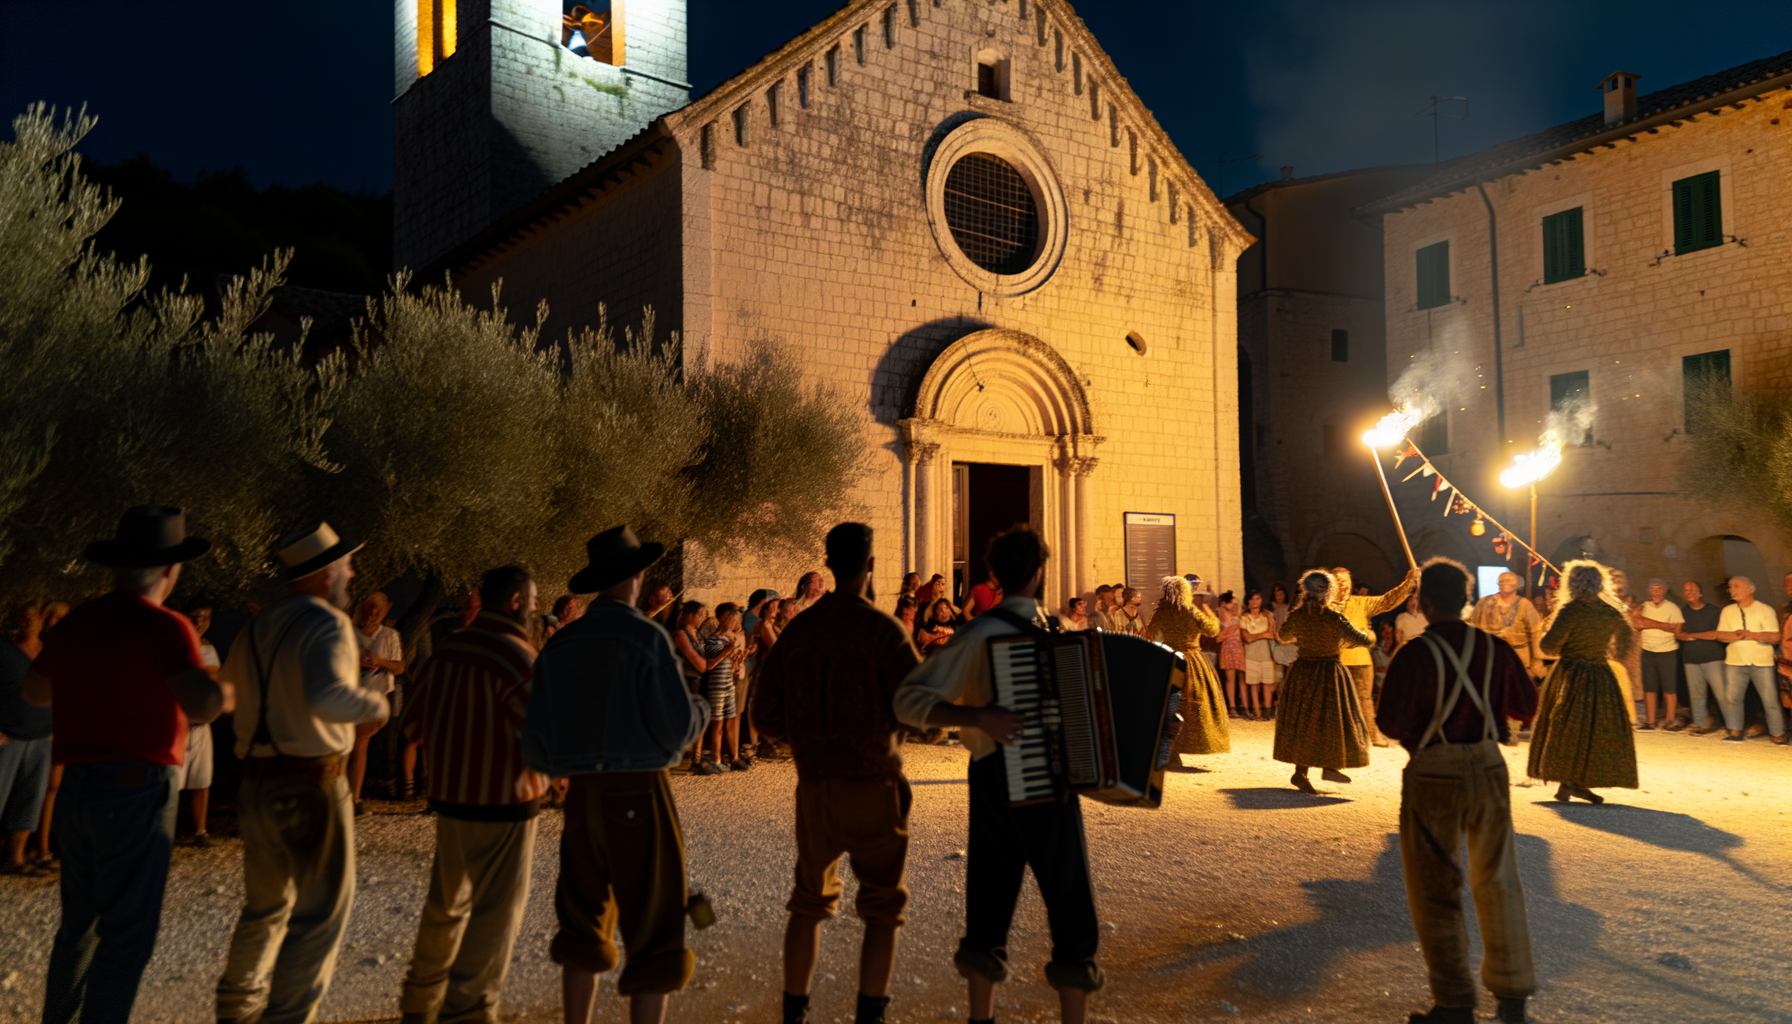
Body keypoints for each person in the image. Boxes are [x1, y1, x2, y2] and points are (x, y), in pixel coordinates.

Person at [893, 525, 1105, 1024]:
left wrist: (973, 720)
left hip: (996, 777)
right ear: (1038, 574)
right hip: (1043, 782)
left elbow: (909, 699)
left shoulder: (1049, 633)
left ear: (995, 576)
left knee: (992, 890)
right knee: (1067, 891)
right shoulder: (993, 632)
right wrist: (979, 717)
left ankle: (980, 1017)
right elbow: (906, 701)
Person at [25, 506, 229, 1023]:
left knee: (79, 929)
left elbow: (34, 691)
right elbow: (201, 704)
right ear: (169, 571)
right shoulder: (165, 626)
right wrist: (227, 691)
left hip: (75, 790)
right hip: (138, 788)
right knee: (126, 936)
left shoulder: (76, 623)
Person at [522, 525, 710, 1024]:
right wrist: (702, 711)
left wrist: (565, 769)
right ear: (638, 575)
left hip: (582, 797)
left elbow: (536, 741)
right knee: (655, 926)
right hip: (641, 792)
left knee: (581, 920)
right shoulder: (646, 637)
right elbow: (675, 730)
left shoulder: (562, 643)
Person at [215, 523, 390, 1024]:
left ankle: (236, 1007)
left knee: (265, 907)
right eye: (347, 564)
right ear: (326, 573)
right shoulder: (327, 623)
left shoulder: (255, 627)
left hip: (256, 781)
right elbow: (327, 697)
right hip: (312, 782)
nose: (352, 573)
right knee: (318, 914)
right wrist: (375, 706)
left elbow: (227, 692)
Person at [754, 523, 923, 1024]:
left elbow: (764, 715)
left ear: (828, 563)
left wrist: (808, 738)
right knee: (882, 908)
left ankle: (794, 1013)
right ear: (871, 565)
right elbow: (917, 709)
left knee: (808, 902)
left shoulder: (799, 630)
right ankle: (869, 1015)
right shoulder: (883, 630)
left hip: (815, 786)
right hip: (873, 782)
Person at [1377, 558, 1537, 1024]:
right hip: (1488, 764)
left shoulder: (1415, 653)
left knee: (1436, 887)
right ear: (1467, 600)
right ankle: (1512, 995)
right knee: (1499, 878)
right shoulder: (1495, 649)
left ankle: (1454, 1002)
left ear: (1424, 603)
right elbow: (1526, 706)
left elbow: (1390, 722)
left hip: (1434, 770)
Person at [398, 566, 547, 1024]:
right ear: (518, 602)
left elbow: (412, 726)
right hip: (506, 803)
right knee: (495, 914)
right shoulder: (518, 657)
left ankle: (420, 1001)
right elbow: (542, 736)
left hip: (450, 800)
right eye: (535, 600)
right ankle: (468, 1008)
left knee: (446, 906)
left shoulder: (448, 649)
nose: (538, 608)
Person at [1526, 561, 1638, 802]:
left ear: (1572, 583)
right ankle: (1574, 783)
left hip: (1572, 673)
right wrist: (1608, 653)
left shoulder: (1571, 610)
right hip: (1600, 674)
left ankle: (1570, 782)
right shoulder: (1610, 611)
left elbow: (1549, 646)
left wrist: (1562, 644)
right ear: (1599, 583)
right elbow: (1626, 638)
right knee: (1594, 728)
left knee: (1568, 727)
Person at [1274, 570, 1374, 793]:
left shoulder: (1299, 615)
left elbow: (1283, 633)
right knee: (1332, 721)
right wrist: (1367, 630)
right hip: (1329, 672)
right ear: (1329, 592)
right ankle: (1325, 767)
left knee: (1305, 722)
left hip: (1303, 671)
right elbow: (1362, 640)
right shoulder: (1333, 617)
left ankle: (1306, 771)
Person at [1331, 567, 1419, 748]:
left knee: (1365, 699)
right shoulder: (1325, 607)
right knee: (1335, 700)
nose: (1343, 585)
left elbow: (1386, 601)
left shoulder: (1360, 603)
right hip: (1335, 660)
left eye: (1346, 582)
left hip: (1361, 659)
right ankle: (1337, 737)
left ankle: (1372, 734)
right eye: (1339, 582)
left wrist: (1408, 582)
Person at [1146, 576, 1231, 760]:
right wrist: (1208, 612)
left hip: (1168, 660)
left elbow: (1150, 634)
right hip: (1191, 661)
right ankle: (1189, 743)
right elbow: (1213, 630)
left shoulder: (1161, 612)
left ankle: (1170, 750)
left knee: (1169, 705)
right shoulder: (1190, 611)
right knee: (1193, 705)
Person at [2, 605, 54, 875]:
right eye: (24, 615)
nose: (28, 621)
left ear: (43, 619)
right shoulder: (5, 651)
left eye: (34, 616)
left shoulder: (50, 652)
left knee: (29, 800)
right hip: (8, 737)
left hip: (42, 737)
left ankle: (16, 859)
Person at [349, 592, 406, 814]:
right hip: (349, 697)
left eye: (378, 609)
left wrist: (380, 662)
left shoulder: (390, 635)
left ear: (386, 610)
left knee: (359, 742)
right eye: (370, 607)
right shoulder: (350, 634)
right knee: (352, 745)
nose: (374, 613)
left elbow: (400, 667)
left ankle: (353, 798)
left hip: (375, 700)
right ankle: (350, 797)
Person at [1714, 576, 1788, 744]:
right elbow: (1720, 635)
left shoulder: (1765, 610)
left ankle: (1778, 733)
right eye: (1730, 587)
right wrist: (1735, 635)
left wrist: (1751, 634)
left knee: (1769, 699)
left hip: (1762, 661)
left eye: (1736, 586)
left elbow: (1776, 637)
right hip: (1735, 661)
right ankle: (1735, 731)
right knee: (1732, 697)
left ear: (1750, 589)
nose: (1731, 590)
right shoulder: (1727, 611)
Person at [177, 604, 222, 846]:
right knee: (172, 782)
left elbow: (213, 675)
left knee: (202, 780)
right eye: (196, 617)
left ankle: (200, 832)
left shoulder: (207, 646)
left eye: (205, 618)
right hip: (180, 723)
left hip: (202, 724)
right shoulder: (179, 643)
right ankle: (162, 831)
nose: (200, 622)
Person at [1630, 579, 1685, 731]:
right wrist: (1663, 625)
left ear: (1665, 591)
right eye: (1653, 589)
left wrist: (1648, 623)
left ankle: (1670, 719)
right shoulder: (1643, 607)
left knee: (1669, 688)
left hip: (1667, 651)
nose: (1656, 591)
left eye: (1659, 588)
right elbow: (1637, 623)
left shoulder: (1672, 608)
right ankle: (1650, 721)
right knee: (1649, 688)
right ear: (1649, 592)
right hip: (1647, 651)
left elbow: (1677, 629)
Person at [1676, 580, 1728, 733]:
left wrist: (1691, 635)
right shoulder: (1682, 612)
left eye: (1692, 588)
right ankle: (1699, 722)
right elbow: (1678, 634)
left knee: (1722, 694)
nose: (1688, 592)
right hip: (1691, 659)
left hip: (1713, 658)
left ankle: (1732, 724)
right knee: (1696, 694)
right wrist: (1694, 635)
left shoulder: (1713, 611)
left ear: (1700, 593)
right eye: (1685, 590)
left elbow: (1714, 635)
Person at [1239, 591, 1276, 718]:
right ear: (1248, 601)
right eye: (1252, 599)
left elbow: (1271, 634)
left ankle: (1267, 710)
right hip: (1251, 654)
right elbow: (1247, 638)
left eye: (1258, 599)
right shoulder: (1244, 618)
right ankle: (1257, 711)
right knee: (1254, 685)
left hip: (1265, 654)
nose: (1255, 602)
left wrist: (1259, 635)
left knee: (1267, 684)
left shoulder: (1267, 616)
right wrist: (1263, 635)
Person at [1216, 591, 1246, 714]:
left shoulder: (1237, 618)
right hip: (1228, 649)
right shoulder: (1220, 620)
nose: (1234, 606)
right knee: (1230, 678)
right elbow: (1218, 638)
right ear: (1224, 604)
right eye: (1231, 603)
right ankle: (1232, 707)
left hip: (1238, 648)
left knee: (1242, 677)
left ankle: (1245, 707)